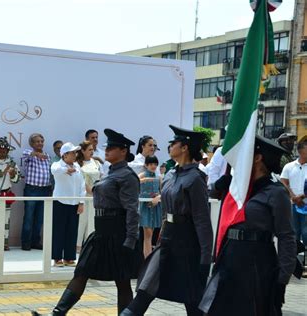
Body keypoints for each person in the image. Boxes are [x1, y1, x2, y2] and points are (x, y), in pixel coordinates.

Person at [32, 129, 142, 315]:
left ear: (124, 151)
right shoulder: (110, 172)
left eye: (113, 148)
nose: (107, 151)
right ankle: (57, 313)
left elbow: (132, 209)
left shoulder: (127, 176)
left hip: (118, 233)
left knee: (122, 282)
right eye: (107, 147)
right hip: (101, 232)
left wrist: (131, 239)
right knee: (81, 272)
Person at [200, 136, 297, 315]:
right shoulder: (238, 188)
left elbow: (286, 236)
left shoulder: (276, 192)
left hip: (257, 262)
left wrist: (282, 279)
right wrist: (220, 185)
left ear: (258, 158)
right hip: (229, 257)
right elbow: (214, 193)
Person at [122, 125, 213, 316]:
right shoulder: (172, 174)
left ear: (185, 147)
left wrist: (206, 258)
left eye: (174, 143)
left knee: (193, 301)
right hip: (168, 240)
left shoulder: (196, 178)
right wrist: (161, 236)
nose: (169, 146)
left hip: (187, 244)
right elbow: (166, 213)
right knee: (145, 291)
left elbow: (202, 220)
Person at [51, 142, 86, 267]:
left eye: (75, 152)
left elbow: (82, 185)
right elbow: (54, 170)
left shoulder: (77, 166)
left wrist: (81, 202)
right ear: (64, 155)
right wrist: (66, 170)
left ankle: (69, 258)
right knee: (58, 230)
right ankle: (57, 258)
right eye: (72, 152)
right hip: (60, 202)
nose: (75, 154)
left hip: (74, 202)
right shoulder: (57, 165)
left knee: (72, 231)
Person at [0, 137, 21, 253]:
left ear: (7, 151)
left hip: (6, 194)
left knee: (5, 219)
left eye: (4, 149)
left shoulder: (12, 162)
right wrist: (3, 172)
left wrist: (12, 174)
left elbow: (17, 179)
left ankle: (4, 243)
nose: (1, 151)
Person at [21, 133, 52, 251]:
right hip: (32, 189)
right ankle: (26, 242)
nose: (40, 143)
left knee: (39, 218)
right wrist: (37, 155)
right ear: (32, 144)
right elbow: (26, 155)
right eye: (37, 141)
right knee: (29, 217)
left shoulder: (48, 156)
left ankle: (35, 241)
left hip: (45, 190)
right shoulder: (28, 153)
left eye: (41, 141)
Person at [75, 140, 103, 252]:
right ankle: (77, 246)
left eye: (93, 149)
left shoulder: (96, 163)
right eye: (89, 150)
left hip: (95, 196)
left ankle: (89, 246)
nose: (92, 152)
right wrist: (91, 190)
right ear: (83, 151)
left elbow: (101, 178)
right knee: (81, 221)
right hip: (83, 195)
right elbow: (80, 181)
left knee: (92, 221)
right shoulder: (78, 164)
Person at [280, 141, 307, 253]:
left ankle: (305, 256)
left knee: (306, 232)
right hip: (291, 204)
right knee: (294, 231)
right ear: (300, 152)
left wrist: (302, 196)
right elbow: (283, 181)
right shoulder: (289, 166)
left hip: (305, 204)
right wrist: (293, 196)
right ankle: (295, 257)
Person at [138, 155, 162, 258]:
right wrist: (143, 180)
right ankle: (146, 258)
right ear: (146, 165)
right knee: (147, 234)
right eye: (151, 164)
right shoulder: (142, 175)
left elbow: (163, 191)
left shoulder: (159, 177)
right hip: (145, 207)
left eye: (155, 164)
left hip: (156, 207)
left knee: (153, 234)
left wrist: (159, 197)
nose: (153, 166)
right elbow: (134, 185)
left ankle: (150, 257)